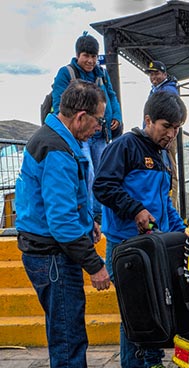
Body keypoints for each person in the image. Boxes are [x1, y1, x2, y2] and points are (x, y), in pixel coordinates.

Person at [15, 80, 112, 368]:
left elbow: (65, 204)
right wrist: (95, 265)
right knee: (68, 330)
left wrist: (90, 224)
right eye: (98, 120)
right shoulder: (57, 149)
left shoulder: (54, 139)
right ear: (81, 117)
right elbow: (61, 222)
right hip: (52, 256)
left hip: (45, 250)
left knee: (64, 327)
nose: (100, 127)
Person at [93, 92, 188, 368]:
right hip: (127, 245)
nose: (171, 133)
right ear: (148, 120)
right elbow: (103, 186)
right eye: (166, 126)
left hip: (156, 244)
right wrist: (134, 210)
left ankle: (151, 360)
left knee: (159, 305)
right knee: (134, 312)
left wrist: (181, 233)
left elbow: (163, 204)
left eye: (177, 128)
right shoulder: (124, 146)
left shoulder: (162, 155)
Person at [51, 32, 123, 224]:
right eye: (86, 56)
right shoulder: (66, 73)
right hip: (79, 134)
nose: (90, 61)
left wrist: (116, 116)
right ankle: (90, 215)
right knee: (87, 171)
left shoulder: (102, 74)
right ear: (77, 55)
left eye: (93, 56)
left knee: (102, 171)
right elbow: (60, 103)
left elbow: (112, 96)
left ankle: (100, 213)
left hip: (100, 134)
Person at [145, 60, 180, 208]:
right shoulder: (155, 91)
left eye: (157, 73)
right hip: (153, 138)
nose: (154, 77)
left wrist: (167, 133)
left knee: (169, 170)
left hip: (163, 138)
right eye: (151, 74)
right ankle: (166, 207)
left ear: (164, 74)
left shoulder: (168, 91)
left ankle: (170, 207)